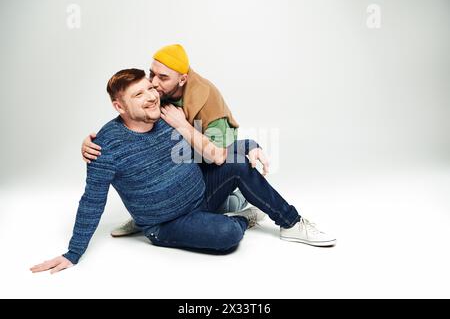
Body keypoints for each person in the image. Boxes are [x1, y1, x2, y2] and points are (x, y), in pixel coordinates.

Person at [30, 69, 336, 274]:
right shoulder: (106, 145)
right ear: (119, 106)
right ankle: (239, 217)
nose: (151, 96)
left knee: (241, 164)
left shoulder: (167, 115)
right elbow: (92, 201)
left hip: (202, 192)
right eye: (138, 95)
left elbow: (215, 145)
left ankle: (292, 223)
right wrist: (73, 253)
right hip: (166, 223)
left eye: (150, 88)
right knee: (227, 235)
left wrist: (251, 144)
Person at [81, 44, 255, 237]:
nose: (154, 84)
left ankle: (238, 206)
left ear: (182, 79)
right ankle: (147, 216)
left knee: (227, 200)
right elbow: (131, 114)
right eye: (151, 75)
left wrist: (251, 146)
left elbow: (220, 155)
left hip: (206, 167)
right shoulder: (159, 98)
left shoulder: (207, 105)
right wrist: (95, 142)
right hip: (164, 211)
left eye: (162, 78)